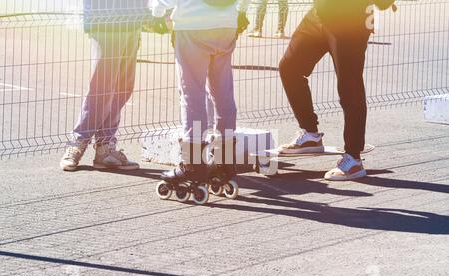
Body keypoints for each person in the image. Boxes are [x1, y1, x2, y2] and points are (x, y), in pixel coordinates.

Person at [278, 0, 396, 181]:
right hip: (320, 14)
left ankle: (353, 159)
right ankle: (310, 134)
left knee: (349, 87)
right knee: (289, 68)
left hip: (350, 21)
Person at [151, 0, 250, 190]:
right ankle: (224, 160)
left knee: (192, 94)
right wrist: (242, 11)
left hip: (192, 24)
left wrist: (157, 12)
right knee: (223, 93)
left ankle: (193, 163)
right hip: (226, 23)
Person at [60, 0, 152, 171]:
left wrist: (146, 12)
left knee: (123, 87)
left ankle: (105, 147)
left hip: (133, 22)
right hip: (106, 21)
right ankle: (77, 143)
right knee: (101, 88)